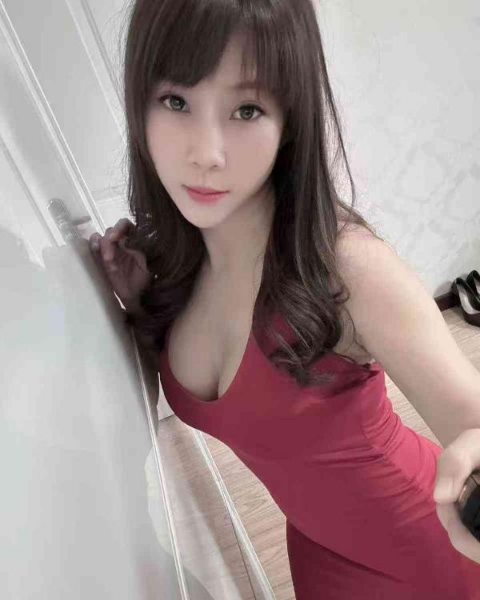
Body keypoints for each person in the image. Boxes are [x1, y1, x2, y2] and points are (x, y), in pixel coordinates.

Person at [89, 0, 480, 597]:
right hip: (320, 552)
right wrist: (144, 305)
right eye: (176, 101)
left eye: (246, 109)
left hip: (426, 549)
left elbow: (470, 418)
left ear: (289, 119)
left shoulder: (346, 266)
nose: (206, 152)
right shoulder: (174, 261)